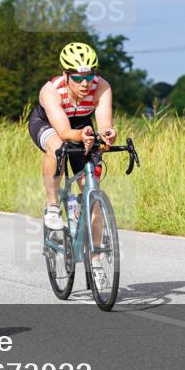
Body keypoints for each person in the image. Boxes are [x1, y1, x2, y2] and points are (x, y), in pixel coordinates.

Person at [27, 42, 117, 279]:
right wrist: (81, 136)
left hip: (81, 125)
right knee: (57, 147)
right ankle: (52, 206)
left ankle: (95, 264)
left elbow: (104, 123)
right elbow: (65, 132)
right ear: (65, 75)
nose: (85, 84)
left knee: (93, 197)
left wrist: (107, 134)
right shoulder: (51, 91)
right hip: (49, 124)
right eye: (77, 78)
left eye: (89, 76)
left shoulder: (102, 86)